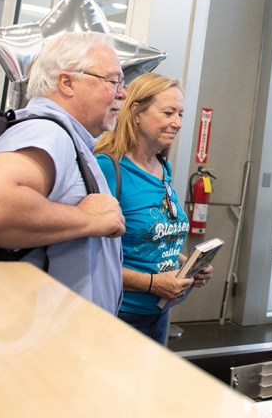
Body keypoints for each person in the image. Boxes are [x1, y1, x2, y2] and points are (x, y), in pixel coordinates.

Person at [0, 32, 127, 314]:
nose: (122, 92)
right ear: (67, 82)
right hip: (46, 343)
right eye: (113, 81)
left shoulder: (66, 138)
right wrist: (87, 218)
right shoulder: (47, 132)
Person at [94, 73, 213, 344]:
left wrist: (187, 264)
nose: (178, 123)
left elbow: (150, 238)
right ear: (136, 112)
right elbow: (93, 259)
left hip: (159, 314)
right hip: (120, 314)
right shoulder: (108, 169)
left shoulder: (163, 168)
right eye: (168, 112)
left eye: (180, 114)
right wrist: (152, 283)